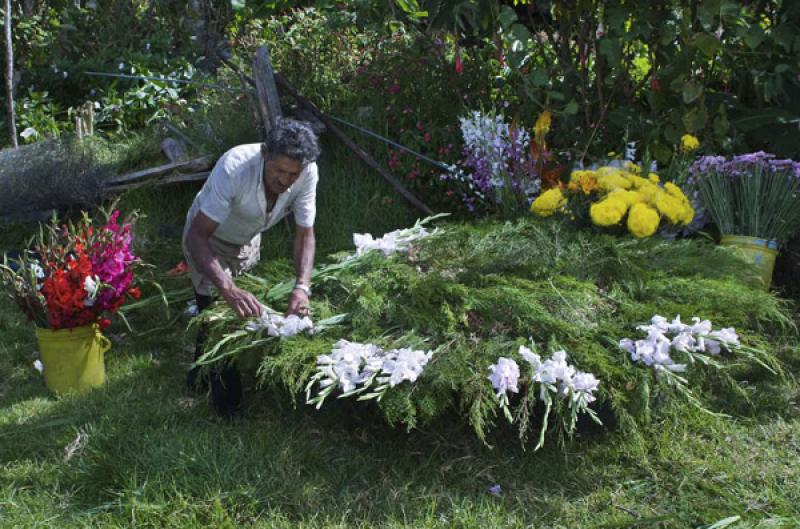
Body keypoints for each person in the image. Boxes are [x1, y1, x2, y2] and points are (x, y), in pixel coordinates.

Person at [182, 118, 320, 417]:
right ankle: (227, 408)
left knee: (214, 314)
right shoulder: (235, 167)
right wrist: (228, 288)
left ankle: (196, 376)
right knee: (220, 314)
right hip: (209, 239)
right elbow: (197, 236)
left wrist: (302, 287)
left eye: (291, 175)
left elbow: (305, 233)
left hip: (246, 240)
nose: (284, 181)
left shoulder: (308, 172)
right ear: (264, 154)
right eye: (278, 171)